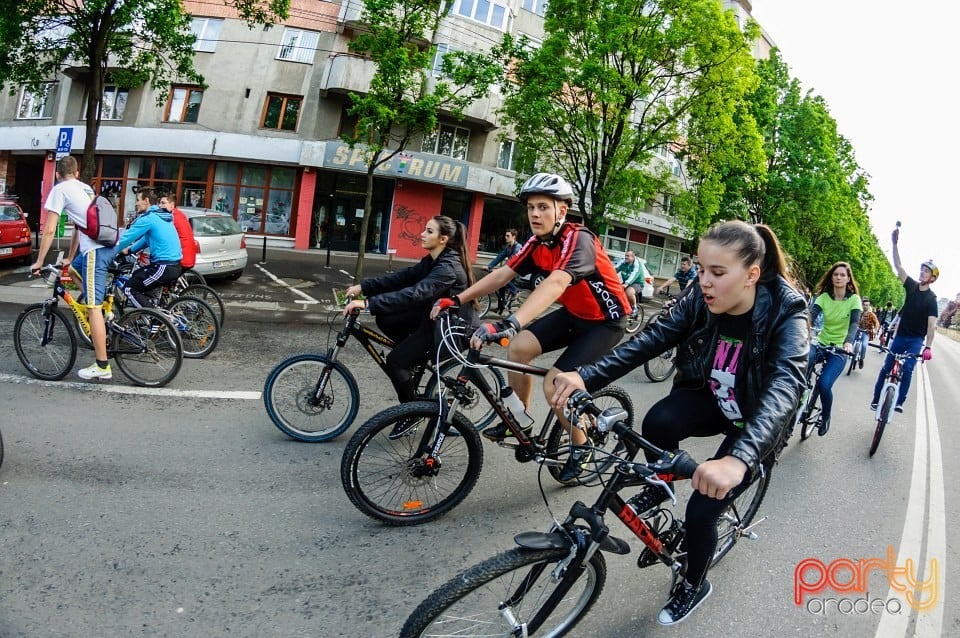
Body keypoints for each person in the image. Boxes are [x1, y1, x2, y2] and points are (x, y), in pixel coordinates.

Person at [551, 220, 808, 626]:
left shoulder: (787, 311)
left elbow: (784, 387)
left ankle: (693, 582)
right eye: (701, 269)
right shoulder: (699, 298)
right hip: (712, 398)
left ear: (752, 275)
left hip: (755, 422)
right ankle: (661, 485)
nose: (704, 282)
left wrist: (738, 460)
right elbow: (653, 338)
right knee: (659, 420)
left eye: (718, 273)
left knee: (703, 512)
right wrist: (587, 376)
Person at [430, 172, 630, 482]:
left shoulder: (580, 240)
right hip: (575, 314)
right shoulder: (537, 243)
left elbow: (557, 281)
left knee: (556, 383)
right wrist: (457, 299)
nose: (535, 214)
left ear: (561, 210)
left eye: (543, 207)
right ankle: (521, 419)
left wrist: (512, 322)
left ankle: (582, 445)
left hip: (606, 322)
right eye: (531, 208)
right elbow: (502, 275)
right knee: (519, 348)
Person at [344, 216, 478, 436]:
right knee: (386, 318)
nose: (422, 234)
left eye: (428, 231)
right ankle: (413, 358)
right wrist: (363, 287)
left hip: (448, 329)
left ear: (443, 239)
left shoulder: (448, 267)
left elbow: (416, 293)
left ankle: (411, 413)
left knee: (396, 361)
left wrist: (368, 303)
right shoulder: (435, 259)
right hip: (432, 317)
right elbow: (404, 278)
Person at [31, 156, 117, 380]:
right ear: (77, 173)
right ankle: (101, 309)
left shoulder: (60, 189)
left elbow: (49, 229)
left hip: (95, 252)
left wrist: (39, 261)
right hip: (108, 246)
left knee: (92, 307)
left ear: (57, 174)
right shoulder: (85, 188)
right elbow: (81, 225)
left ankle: (102, 365)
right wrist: (70, 257)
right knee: (74, 269)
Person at [870, 227, 937, 413]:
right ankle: (876, 400)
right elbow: (898, 267)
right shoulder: (912, 286)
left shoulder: (932, 300)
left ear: (932, 278)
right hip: (900, 337)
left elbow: (932, 326)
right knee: (886, 369)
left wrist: (928, 347)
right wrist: (894, 244)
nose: (922, 273)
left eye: (926, 272)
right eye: (921, 270)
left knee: (908, 369)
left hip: (916, 340)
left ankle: (899, 402)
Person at [807, 262, 863, 435]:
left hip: (839, 350)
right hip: (821, 343)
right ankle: (799, 395)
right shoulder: (823, 297)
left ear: (848, 279)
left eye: (842, 275)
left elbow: (854, 323)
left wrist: (848, 342)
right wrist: (803, 329)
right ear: (831, 277)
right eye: (835, 274)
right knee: (801, 363)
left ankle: (825, 416)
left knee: (824, 385)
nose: (838, 277)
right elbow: (810, 315)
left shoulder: (854, 300)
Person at [114, 187, 183, 308]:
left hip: (164, 266)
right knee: (136, 275)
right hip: (174, 265)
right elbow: (146, 239)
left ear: (146, 200)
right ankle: (152, 310)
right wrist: (130, 250)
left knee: (129, 289)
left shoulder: (149, 218)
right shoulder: (161, 215)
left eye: (138, 200)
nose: (136, 203)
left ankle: (155, 320)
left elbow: (125, 239)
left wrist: (109, 251)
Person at [484, 228, 523, 314]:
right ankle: (500, 308)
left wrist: (500, 270)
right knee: (500, 286)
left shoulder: (518, 247)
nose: (505, 237)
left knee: (503, 278)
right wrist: (489, 266)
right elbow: (500, 257)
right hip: (510, 269)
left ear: (514, 237)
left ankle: (516, 291)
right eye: (505, 235)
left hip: (517, 270)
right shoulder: (508, 247)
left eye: (508, 236)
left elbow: (512, 261)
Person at [161, 193, 197, 271]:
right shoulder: (179, 214)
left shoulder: (171, 217)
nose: (160, 206)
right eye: (159, 203)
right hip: (189, 256)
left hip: (182, 257)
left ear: (172, 205)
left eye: (163, 203)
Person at [615, 250, 645, 316]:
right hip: (626, 282)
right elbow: (614, 270)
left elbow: (633, 276)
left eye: (628, 256)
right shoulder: (623, 262)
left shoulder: (637, 265)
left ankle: (634, 307)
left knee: (629, 293)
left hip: (637, 283)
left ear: (633, 257)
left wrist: (626, 284)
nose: (626, 257)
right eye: (625, 255)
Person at [858, 300, 880, 365]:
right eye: (864, 305)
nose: (865, 306)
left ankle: (861, 359)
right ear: (862, 305)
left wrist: (875, 330)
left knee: (864, 345)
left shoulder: (872, 315)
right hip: (858, 331)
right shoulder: (859, 313)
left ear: (869, 306)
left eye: (867, 305)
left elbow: (877, 323)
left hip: (866, 333)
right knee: (850, 343)